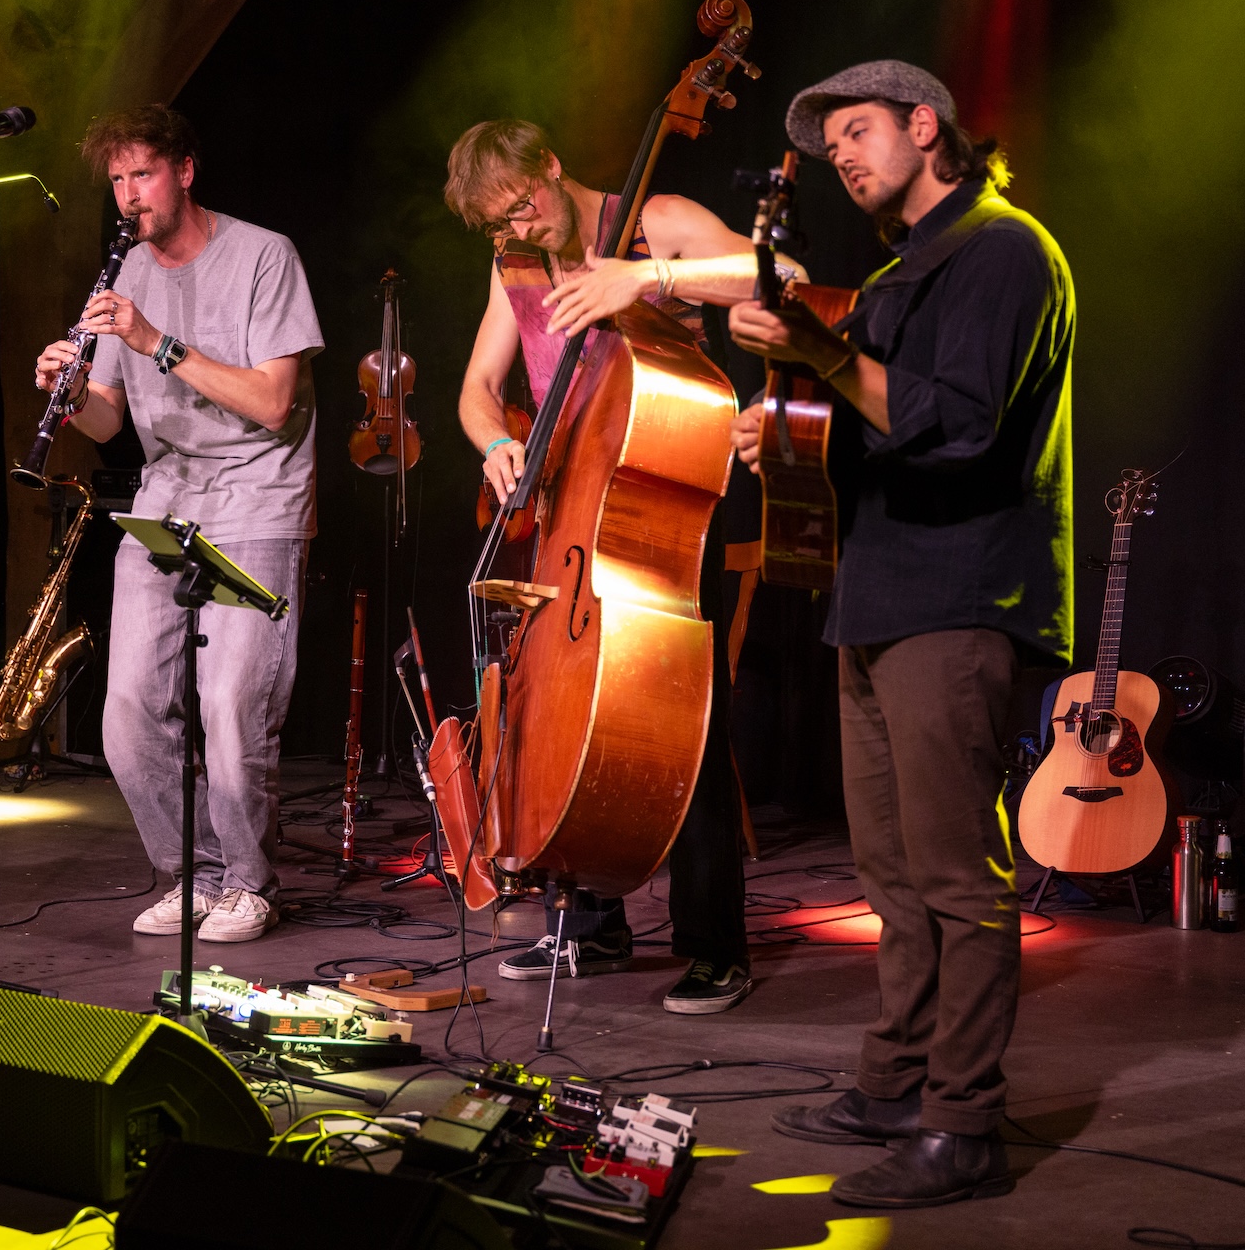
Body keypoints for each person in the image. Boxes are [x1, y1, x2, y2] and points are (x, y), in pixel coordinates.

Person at [729, 62, 1073, 1208]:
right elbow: (863, 421)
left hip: (960, 593)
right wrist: (781, 423)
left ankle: (963, 1124)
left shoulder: (1003, 250)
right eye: (831, 144)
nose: (843, 155)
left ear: (927, 126)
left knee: (958, 874)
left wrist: (818, 354)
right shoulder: (894, 276)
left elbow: (960, 427)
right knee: (889, 867)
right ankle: (896, 1081)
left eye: (860, 130)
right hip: (876, 593)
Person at [445, 119, 799, 1014]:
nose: (521, 228)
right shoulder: (516, 262)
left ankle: (715, 945)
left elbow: (781, 277)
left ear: (551, 163)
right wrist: (495, 442)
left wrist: (646, 278)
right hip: (569, 507)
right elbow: (478, 387)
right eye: (500, 222)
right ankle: (591, 924)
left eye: (523, 205)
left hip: (662, 498)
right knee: (562, 710)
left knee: (684, 718)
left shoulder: (655, 221)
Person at [33, 105, 323, 944]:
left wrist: (156, 340)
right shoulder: (125, 274)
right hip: (166, 501)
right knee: (126, 714)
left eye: (144, 175)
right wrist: (69, 393)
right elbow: (106, 420)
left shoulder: (264, 256)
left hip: (258, 496)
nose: (130, 196)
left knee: (230, 704)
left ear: (185, 171)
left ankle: (250, 883)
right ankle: (192, 874)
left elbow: (274, 403)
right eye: (118, 180)